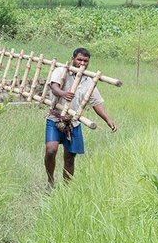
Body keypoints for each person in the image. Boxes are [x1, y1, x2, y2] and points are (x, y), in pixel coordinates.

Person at [45, 47, 117, 188]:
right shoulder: (61, 71)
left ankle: (66, 188)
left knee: (70, 157)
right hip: (55, 118)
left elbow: (96, 103)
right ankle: (50, 180)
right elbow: (54, 87)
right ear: (73, 59)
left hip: (73, 122)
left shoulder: (89, 81)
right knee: (51, 149)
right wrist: (63, 93)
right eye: (79, 60)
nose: (82, 63)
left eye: (85, 61)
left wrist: (108, 120)